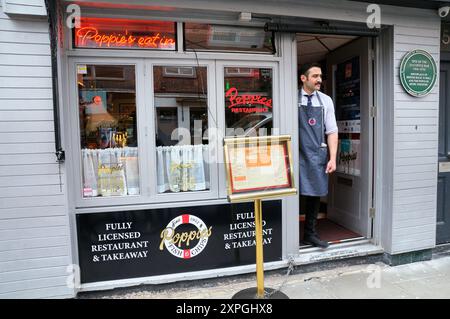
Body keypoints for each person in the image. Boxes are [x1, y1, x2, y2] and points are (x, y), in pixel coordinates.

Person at [298, 62, 338, 248]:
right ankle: (287, 233)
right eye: (315, 76)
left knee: (314, 195)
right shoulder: (291, 98)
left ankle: (310, 234)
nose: (319, 80)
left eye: (320, 76)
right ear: (303, 78)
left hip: (315, 153)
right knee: (292, 194)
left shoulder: (325, 100)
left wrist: (332, 157)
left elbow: (332, 131)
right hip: (294, 153)